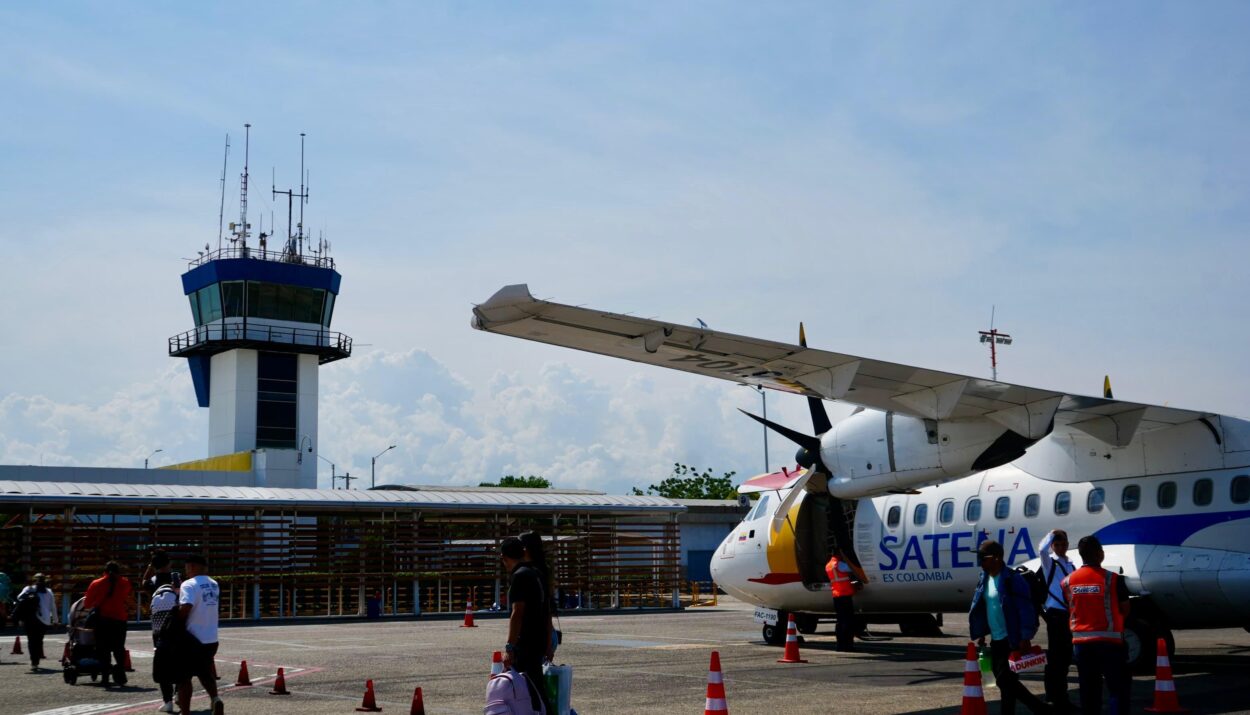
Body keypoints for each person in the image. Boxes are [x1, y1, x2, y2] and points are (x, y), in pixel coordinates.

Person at [969, 539, 1051, 715]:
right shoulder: (984, 579)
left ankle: (1040, 708)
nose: (980, 562)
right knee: (1006, 684)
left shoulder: (1012, 580)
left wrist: (1025, 636)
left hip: (1011, 638)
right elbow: (984, 607)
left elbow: (1026, 610)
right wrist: (982, 631)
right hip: (996, 638)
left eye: (983, 558)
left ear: (996, 558)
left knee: (1004, 680)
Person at [1061, 536, 1130, 715]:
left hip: (1082, 645)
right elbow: (1125, 608)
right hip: (1111, 643)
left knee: (1089, 690)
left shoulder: (1067, 582)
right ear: (1100, 554)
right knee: (1117, 689)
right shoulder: (1113, 579)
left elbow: (1069, 606)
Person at [500, 536, 551, 713]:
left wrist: (509, 646)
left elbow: (517, 613)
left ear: (504, 558)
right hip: (539, 638)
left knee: (531, 689)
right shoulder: (537, 573)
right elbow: (547, 611)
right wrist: (548, 639)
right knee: (535, 686)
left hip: (526, 641)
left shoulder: (519, 576)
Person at [177, 553, 223, 715]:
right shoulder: (214, 584)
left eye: (187, 567)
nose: (186, 570)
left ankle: (186, 712)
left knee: (184, 678)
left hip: (192, 638)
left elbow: (186, 606)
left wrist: (176, 621)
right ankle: (216, 699)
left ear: (192, 566)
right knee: (205, 672)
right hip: (211, 638)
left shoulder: (188, 585)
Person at [1038, 529, 1076, 711]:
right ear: (1053, 545)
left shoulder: (1071, 564)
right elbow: (1041, 550)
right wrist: (1052, 534)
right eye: (1057, 544)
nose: (1061, 548)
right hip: (1055, 615)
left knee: (1065, 658)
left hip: (1069, 615)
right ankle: (1053, 696)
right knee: (1056, 658)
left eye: (1063, 544)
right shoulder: (1049, 563)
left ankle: (1061, 695)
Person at [83, 561, 134, 687]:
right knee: (119, 648)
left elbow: (87, 604)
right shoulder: (125, 583)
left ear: (104, 571)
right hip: (120, 620)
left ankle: (105, 677)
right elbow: (126, 593)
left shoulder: (96, 583)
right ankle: (120, 674)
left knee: (103, 649)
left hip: (102, 621)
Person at [148, 554, 184, 713]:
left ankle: (167, 701)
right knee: (179, 661)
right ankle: (178, 693)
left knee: (162, 667)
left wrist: (150, 568)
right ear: (169, 563)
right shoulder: (176, 578)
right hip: (176, 627)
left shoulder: (152, 582)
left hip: (158, 630)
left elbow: (143, 584)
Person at [519, 530, 558, 661]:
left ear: (526, 549)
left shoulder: (531, 573)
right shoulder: (544, 569)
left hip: (538, 636)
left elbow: (545, 609)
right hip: (546, 634)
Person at [826, 548, 868, 652]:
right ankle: (848, 645)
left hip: (836, 596)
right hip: (845, 596)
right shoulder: (839, 564)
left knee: (840, 622)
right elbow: (853, 569)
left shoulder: (828, 565)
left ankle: (840, 645)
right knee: (848, 621)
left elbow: (839, 580)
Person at [16, 573, 58, 672]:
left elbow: (19, 598)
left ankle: (34, 662)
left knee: (31, 641)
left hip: (30, 618)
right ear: (45, 581)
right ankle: (36, 660)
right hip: (44, 620)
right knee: (39, 640)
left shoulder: (29, 589)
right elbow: (53, 607)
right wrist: (56, 621)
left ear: (34, 580)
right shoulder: (49, 592)